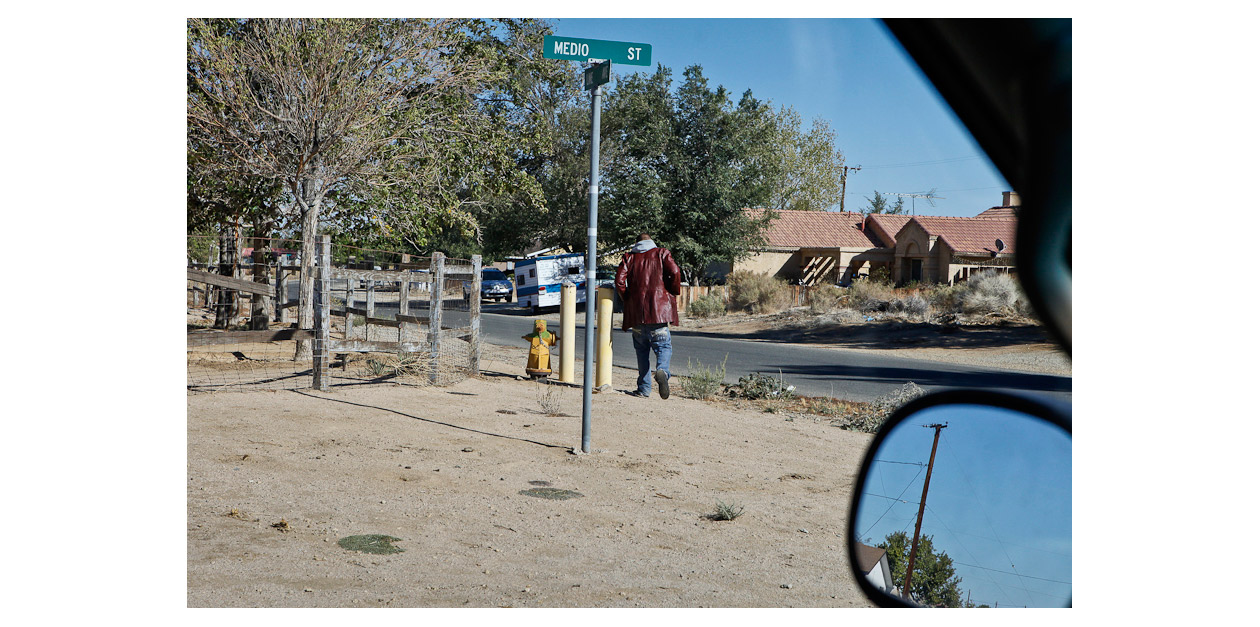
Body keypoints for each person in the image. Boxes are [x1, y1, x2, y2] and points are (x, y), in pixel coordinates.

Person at [615, 233, 681, 398]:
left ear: (636, 243)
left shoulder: (629, 257)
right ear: (651, 242)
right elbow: (675, 271)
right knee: (663, 347)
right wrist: (672, 291)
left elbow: (619, 281)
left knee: (641, 352)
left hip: (637, 315)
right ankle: (663, 372)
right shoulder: (661, 253)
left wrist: (628, 299)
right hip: (659, 314)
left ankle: (644, 389)